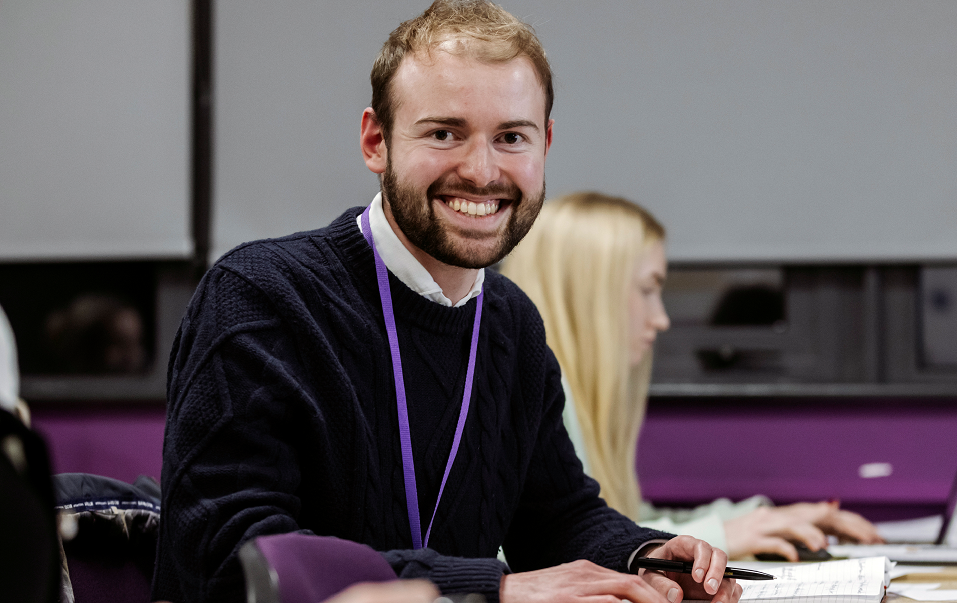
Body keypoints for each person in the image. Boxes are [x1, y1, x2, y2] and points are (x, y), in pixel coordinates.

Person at [153, 3, 744, 603]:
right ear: (376, 141)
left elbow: (557, 519)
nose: (482, 172)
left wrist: (647, 556)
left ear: (546, 144)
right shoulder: (261, 298)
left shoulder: (511, 324)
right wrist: (496, 589)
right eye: (444, 133)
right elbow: (234, 561)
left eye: (511, 137)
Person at [500, 191, 883, 562]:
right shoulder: (531, 393)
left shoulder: (566, 395)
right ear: (589, 295)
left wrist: (762, 519)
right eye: (648, 289)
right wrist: (725, 536)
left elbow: (623, 525)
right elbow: (535, 552)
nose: (662, 319)